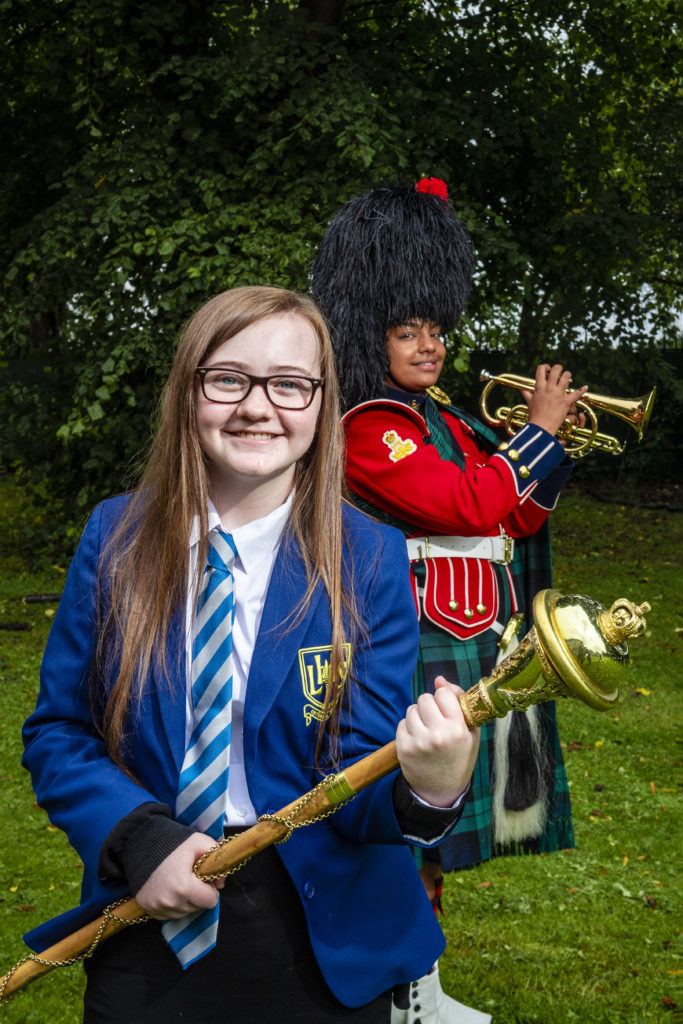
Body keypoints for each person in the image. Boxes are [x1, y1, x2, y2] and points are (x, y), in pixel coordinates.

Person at [21, 286, 481, 1023]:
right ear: (188, 390)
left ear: (321, 401)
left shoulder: (366, 555)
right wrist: (140, 838)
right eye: (227, 378)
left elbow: (359, 772)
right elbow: (60, 733)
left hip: (324, 933)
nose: (257, 407)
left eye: (289, 384)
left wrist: (427, 788)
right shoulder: (116, 538)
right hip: (152, 905)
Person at [311, 180, 585, 1024]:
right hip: (415, 643)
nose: (429, 345)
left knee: (431, 840)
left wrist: (551, 452)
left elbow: (509, 512)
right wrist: (533, 432)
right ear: (371, 334)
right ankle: (401, 991)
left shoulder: (445, 420)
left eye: (434, 328)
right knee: (405, 828)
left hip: (470, 636)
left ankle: (419, 988)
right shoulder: (369, 424)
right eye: (407, 330)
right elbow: (464, 505)